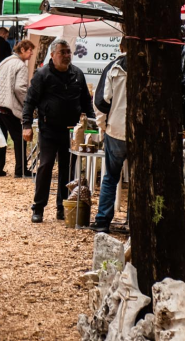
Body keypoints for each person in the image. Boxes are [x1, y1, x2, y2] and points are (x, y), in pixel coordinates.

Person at [22, 38, 93, 223]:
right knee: (45, 166)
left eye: (68, 52)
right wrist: (27, 125)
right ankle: (38, 207)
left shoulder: (77, 74)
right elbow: (29, 101)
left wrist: (92, 128)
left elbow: (86, 101)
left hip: (72, 132)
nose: (66, 55)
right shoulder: (42, 74)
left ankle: (63, 207)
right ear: (52, 55)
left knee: (68, 170)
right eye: (62, 52)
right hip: (49, 129)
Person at [91, 53, 127, 233]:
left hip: (117, 130)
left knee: (111, 177)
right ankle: (136, 221)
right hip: (141, 133)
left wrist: (103, 126)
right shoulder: (151, 65)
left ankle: (102, 221)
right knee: (141, 178)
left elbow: (100, 101)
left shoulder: (114, 67)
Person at [0, 39, 35, 178]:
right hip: (10, 106)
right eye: (29, 51)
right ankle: (21, 170)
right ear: (22, 50)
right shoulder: (21, 65)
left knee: (1, 138)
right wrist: (27, 104)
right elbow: (20, 88)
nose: (31, 54)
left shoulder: (5, 61)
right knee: (19, 138)